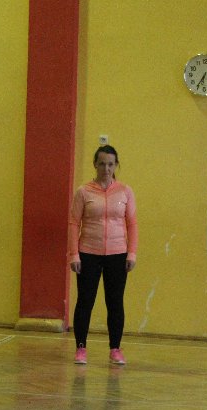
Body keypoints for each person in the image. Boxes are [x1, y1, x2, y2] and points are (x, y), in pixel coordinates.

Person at [68, 145, 138, 366]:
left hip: (118, 254)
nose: (106, 169)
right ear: (95, 165)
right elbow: (74, 223)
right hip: (88, 253)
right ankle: (81, 347)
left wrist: (132, 253)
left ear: (116, 165)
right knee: (85, 301)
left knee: (115, 302)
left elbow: (132, 223)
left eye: (110, 164)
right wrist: (74, 254)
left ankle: (115, 348)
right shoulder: (84, 192)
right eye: (102, 164)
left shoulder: (125, 191)